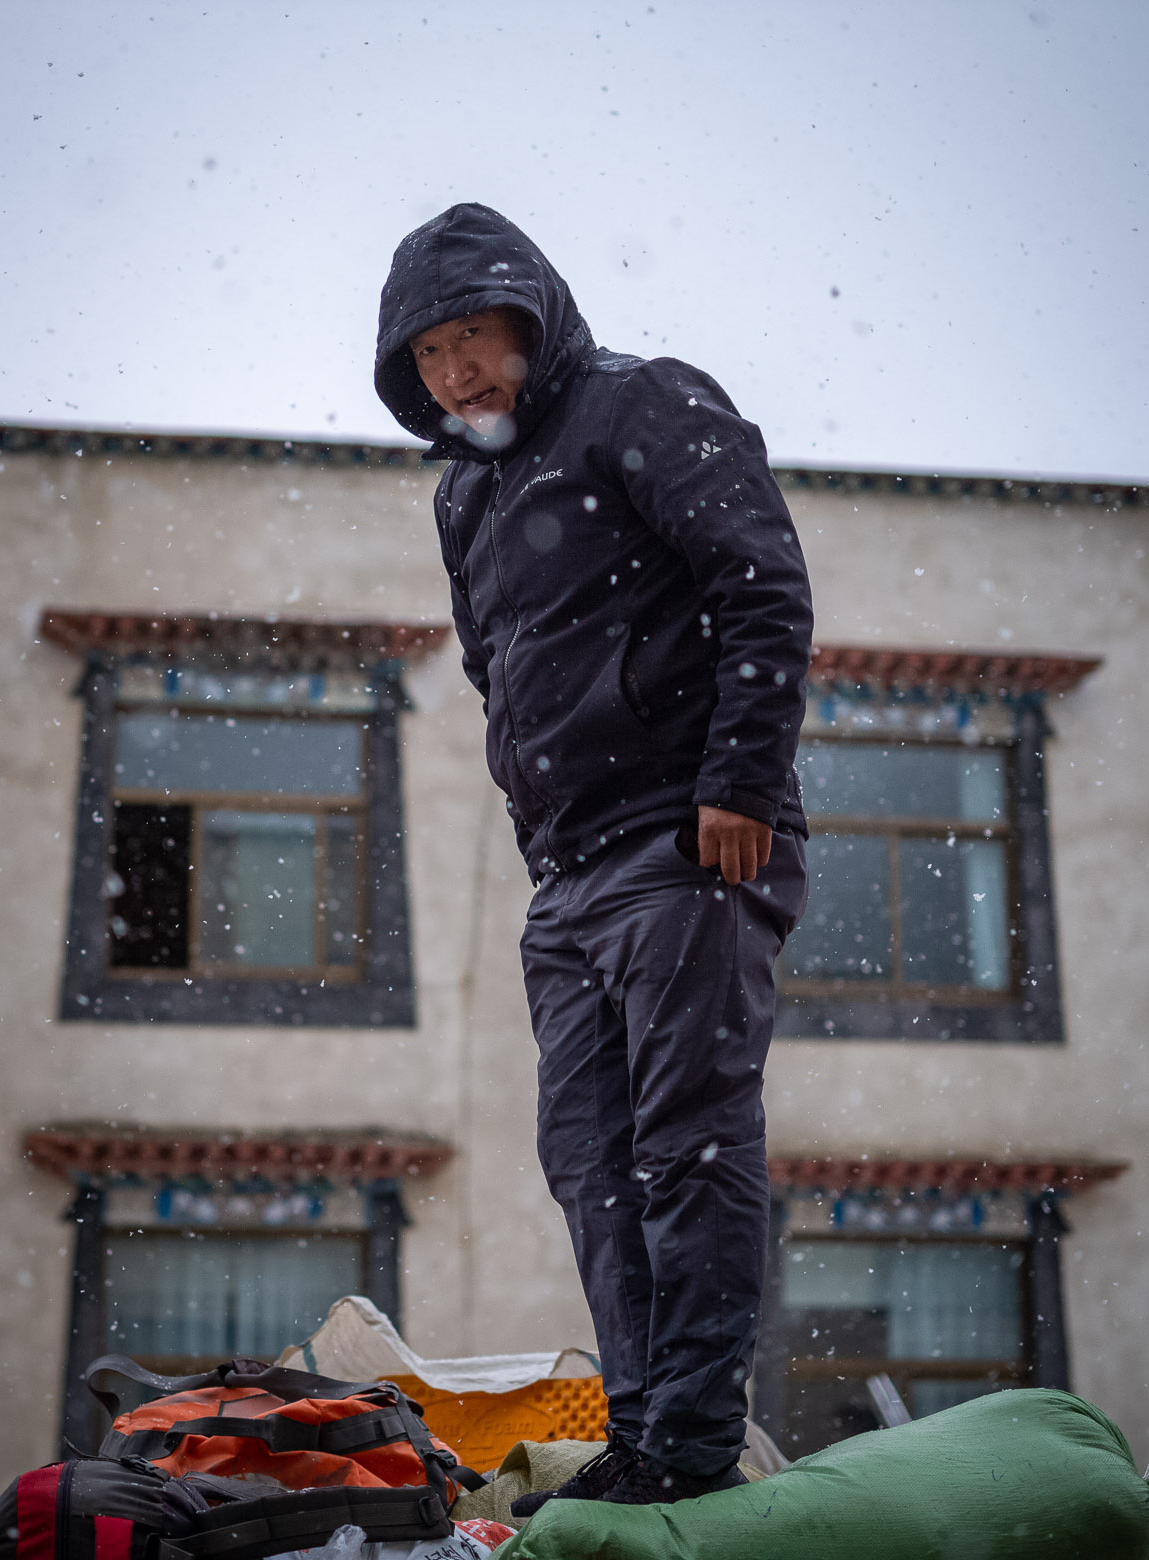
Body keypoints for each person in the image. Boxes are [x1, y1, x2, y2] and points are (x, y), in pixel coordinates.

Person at [373, 204, 814, 1508]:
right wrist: (537, 836)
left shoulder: (642, 405)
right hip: (568, 880)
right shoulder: (466, 492)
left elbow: (761, 583)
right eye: (431, 355)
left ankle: (689, 1448)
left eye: (474, 336)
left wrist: (736, 783)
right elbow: (502, 676)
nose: (458, 372)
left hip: (689, 844)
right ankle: (643, 1434)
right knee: (590, 1160)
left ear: (532, 316)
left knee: (690, 1148)